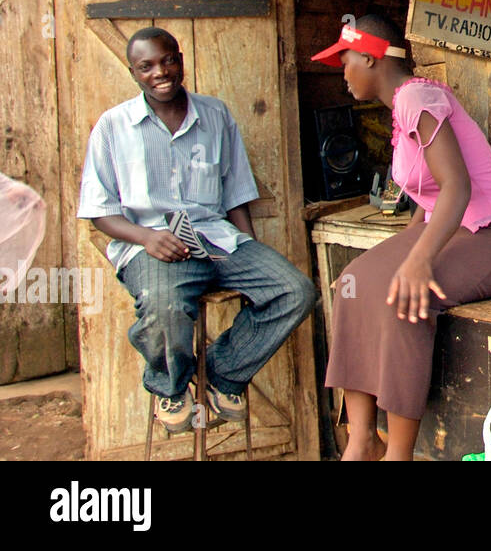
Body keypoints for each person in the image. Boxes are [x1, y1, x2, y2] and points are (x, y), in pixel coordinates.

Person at [316, 15, 491, 461]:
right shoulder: (405, 104)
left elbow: (457, 185)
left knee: (405, 295)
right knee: (354, 283)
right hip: (458, 230)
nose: (342, 74)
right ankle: (361, 442)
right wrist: (404, 248)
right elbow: (429, 194)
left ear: (369, 57)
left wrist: (416, 261)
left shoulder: (417, 96)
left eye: (345, 62)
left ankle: (399, 454)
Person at [77, 27, 316, 433]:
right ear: (133, 72)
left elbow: (236, 193)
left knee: (295, 291)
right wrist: (147, 237)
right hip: (150, 245)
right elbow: (101, 213)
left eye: (168, 60)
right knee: (164, 304)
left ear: (181, 59)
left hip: (217, 237)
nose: (161, 72)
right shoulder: (113, 127)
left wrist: (252, 254)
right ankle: (171, 386)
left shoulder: (216, 115)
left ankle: (221, 372)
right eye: (146, 66)